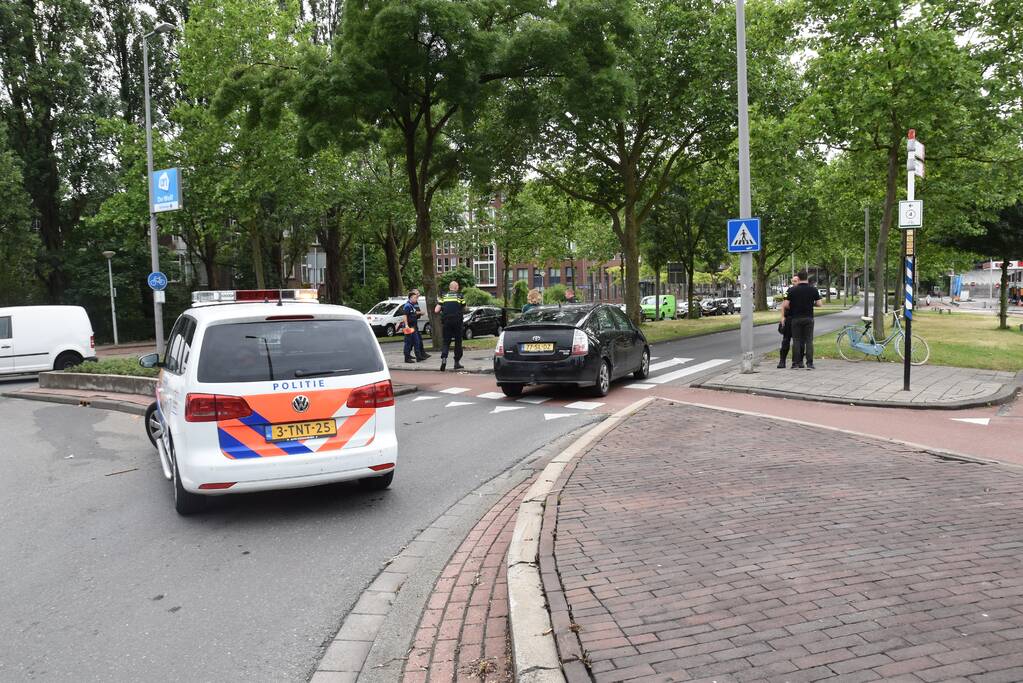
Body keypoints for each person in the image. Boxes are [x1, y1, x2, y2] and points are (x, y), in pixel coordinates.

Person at [787, 271, 822, 369]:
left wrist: (793, 305)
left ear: (798, 278)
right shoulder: (813, 289)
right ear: (807, 277)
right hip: (809, 318)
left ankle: (795, 363)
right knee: (809, 341)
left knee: (796, 341)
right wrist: (811, 304)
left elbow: (785, 304)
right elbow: (819, 304)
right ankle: (810, 363)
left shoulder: (792, 290)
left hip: (796, 318)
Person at [434, 281, 466, 371]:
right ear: (455, 287)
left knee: (446, 341)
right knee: (458, 342)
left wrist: (443, 311)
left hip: (447, 322)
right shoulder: (460, 296)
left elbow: (436, 310)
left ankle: (444, 358)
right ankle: (457, 362)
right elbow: (464, 307)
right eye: (458, 286)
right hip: (457, 321)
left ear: (449, 287)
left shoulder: (443, 296)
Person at [776, 275, 799, 368]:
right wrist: (782, 317)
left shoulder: (802, 291)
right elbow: (783, 305)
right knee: (786, 340)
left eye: (796, 281)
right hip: (789, 318)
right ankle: (782, 361)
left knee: (797, 342)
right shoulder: (788, 291)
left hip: (798, 318)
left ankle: (796, 362)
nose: (794, 283)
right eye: (793, 281)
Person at [402, 290, 430, 363]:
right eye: (414, 297)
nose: (416, 299)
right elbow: (405, 316)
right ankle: (407, 358)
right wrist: (406, 325)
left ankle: (419, 357)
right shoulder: (407, 306)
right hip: (409, 326)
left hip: (414, 326)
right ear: (410, 298)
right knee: (408, 342)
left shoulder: (412, 305)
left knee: (416, 342)